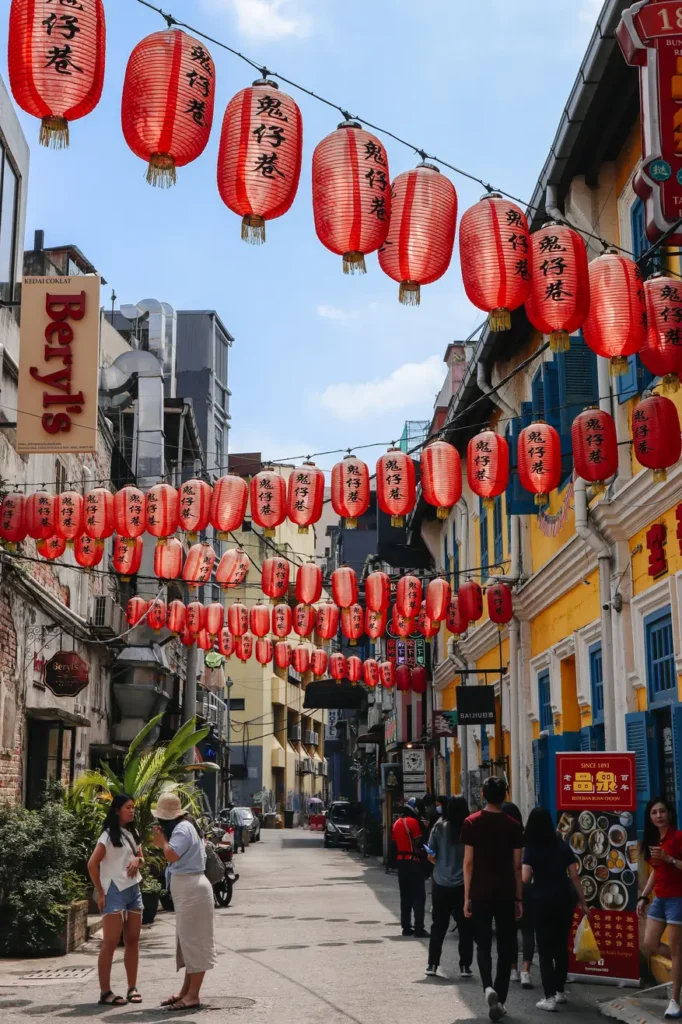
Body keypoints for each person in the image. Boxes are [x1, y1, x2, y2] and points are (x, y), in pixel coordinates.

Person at [463, 777, 523, 1022]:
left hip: (479, 891)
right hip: (506, 892)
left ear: (483, 795)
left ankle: (488, 987)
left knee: (483, 944)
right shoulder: (513, 825)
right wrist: (519, 898)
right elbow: (517, 866)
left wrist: (466, 896)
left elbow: (468, 863)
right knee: (507, 945)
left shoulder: (471, 822)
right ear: (505, 795)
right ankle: (501, 997)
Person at [152, 793, 217, 1011]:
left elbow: (172, 855)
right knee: (188, 942)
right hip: (189, 890)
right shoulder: (187, 827)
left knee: (195, 942)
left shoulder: (181, 829)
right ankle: (186, 991)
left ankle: (193, 995)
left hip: (192, 891)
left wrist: (162, 843)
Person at [522, 807, 592, 1012]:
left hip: (542, 901)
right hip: (563, 900)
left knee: (544, 950)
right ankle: (560, 991)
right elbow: (575, 876)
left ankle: (549, 996)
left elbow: (525, 877)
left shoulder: (531, 848)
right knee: (561, 947)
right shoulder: (561, 845)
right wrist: (583, 901)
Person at [87, 794, 144, 1006]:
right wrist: (100, 891)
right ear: (117, 810)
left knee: (133, 941)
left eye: (133, 808)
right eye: (128, 807)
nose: (132, 811)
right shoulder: (108, 836)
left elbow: (142, 857)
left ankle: (132, 987)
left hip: (133, 890)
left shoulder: (133, 832)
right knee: (110, 943)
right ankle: (105, 991)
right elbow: (92, 864)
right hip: (114, 891)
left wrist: (138, 860)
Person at [639, 797, 682, 1019]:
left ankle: (675, 1000)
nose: (659, 816)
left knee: (676, 950)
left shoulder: (678, 837)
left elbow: (671, 864)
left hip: (677, 899)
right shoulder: (655, 839)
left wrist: (670, 858)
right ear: (650, 817)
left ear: (669, 814)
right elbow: (656, 871)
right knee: (650, 943)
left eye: (662, 811)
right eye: (654, 813)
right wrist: (644, 897)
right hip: (660, 899)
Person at [425, 796, 474, 979]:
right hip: (463, 885)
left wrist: (439, 863)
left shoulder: (438, 827)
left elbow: (430, 853)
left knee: (438, 925)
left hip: (441, 883)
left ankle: (432, 964)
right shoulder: (469, 829)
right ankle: (465, 966)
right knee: (465, 927)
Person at [503, 801, 534, 989]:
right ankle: (526, 972)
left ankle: (513, 969)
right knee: (528, 930)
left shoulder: (501, 838)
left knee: (509, 931)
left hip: (507, 887)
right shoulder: (525, 838)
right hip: (527, 887)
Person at [391, 804, 429, 938]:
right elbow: (419, 842)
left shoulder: (397, 823)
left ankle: (406, 927)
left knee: (405, 896)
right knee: (418, 896)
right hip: (413, 861)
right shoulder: (412, 822)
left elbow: (396, 842)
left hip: (401, 862)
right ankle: (419, 928)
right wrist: (425, 828)